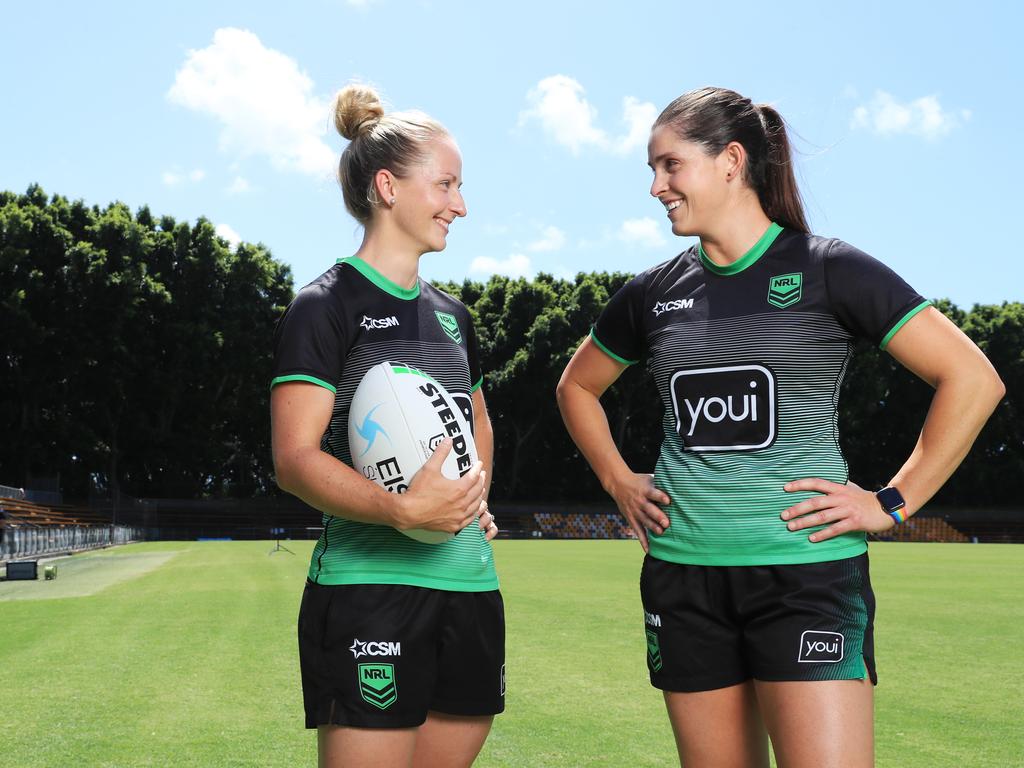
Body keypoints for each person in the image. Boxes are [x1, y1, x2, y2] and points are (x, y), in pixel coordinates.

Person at [555, 86, 1004, 768]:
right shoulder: (651, 293)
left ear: (731, 161)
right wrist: (619, 480)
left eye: (670, 166)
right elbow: (576, 386)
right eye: (652, 169)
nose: (656, 187)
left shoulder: (828, 269)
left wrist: (891, 501)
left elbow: (972, 379)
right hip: (683, 581)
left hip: (806, 578)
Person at [270, 84, 504, 768]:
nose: (460, 204)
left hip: (469, 588)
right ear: (387, 187)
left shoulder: (456, 316)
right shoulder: (325, 307)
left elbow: (478, 416)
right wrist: (400, 509)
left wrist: (472, 490)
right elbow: (293, 458)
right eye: (446, 184)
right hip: (368, 593)